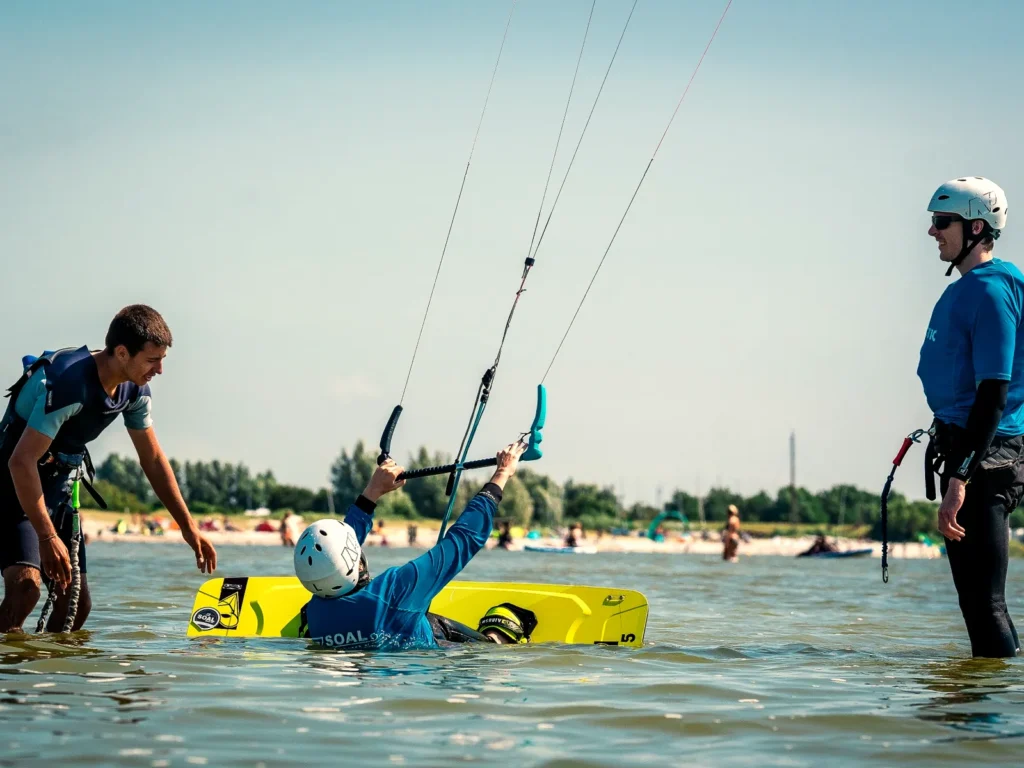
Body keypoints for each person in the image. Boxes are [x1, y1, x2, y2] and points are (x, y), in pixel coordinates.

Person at [0, 305, 217, 633]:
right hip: (13, 485)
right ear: (122, 352)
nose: (159, 370)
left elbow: (153, 460)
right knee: (25, 588)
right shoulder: (69, 384)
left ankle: (47, 667)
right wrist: (47, 536)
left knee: (75, 605)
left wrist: (188, 526)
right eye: (152, 360)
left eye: (162, 360)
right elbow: (21, 461)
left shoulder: (135, 390)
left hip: (57, 488)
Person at [296, 440, 536, 650]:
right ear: (357, 566)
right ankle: (496, 639)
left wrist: (373, 491)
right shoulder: (395, 592)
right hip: (432, 659)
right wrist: (502, 473)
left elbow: (335, 553)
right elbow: (464, 539)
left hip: (377, 663)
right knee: (508, 620)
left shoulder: (316, 612)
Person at [917, 176, 1021, 658]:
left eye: (942, 222)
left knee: (986, 603)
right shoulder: (968, 289)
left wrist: (961, 477)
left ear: (976, 227)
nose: (933, 231)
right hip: (967, 448)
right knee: (974, 603)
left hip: (988, 457)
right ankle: (975, 697)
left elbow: (994, 394)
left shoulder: (992, 292)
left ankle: (994, 703)